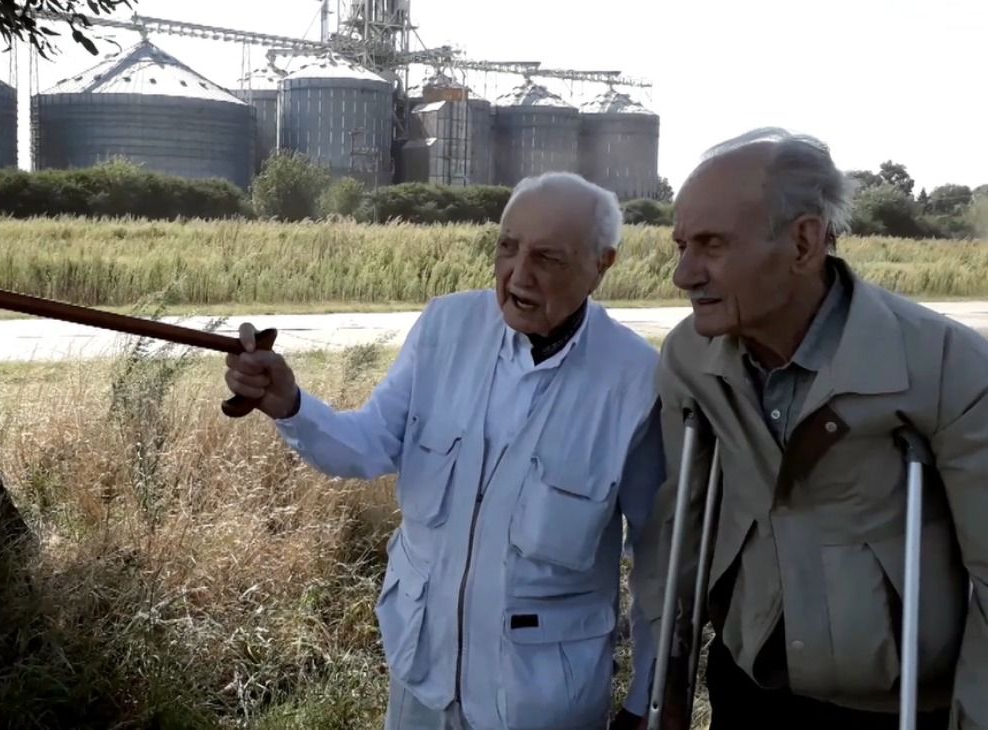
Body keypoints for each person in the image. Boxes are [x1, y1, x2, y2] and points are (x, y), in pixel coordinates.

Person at [224, 171, 666, 729]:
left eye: (548, 258)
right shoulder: (445, 326)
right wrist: (289, 404)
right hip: (422, 681)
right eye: (507, 248)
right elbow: (367, 445)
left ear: (603, 264)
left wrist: (647, 702)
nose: (517, 275)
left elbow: (660, 563)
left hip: (544, 703)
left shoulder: (636, 381)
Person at [633, 128, 988, 730]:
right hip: (750, 690)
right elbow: (682, 527)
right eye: (680, 245)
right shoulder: (691, 360)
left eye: (711, 245)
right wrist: (665, 680)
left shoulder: (947, 369)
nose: (683, 274)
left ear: (803, 242)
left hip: (902, 706)